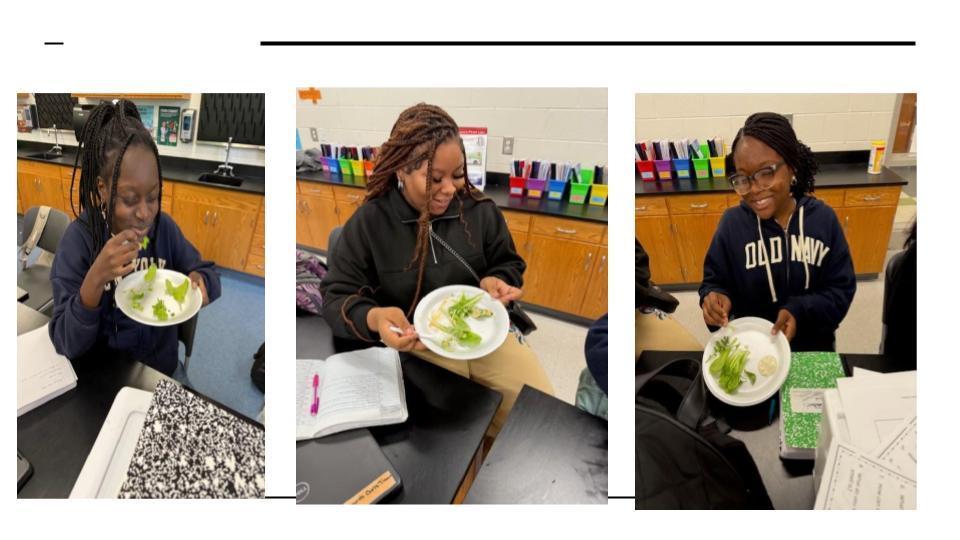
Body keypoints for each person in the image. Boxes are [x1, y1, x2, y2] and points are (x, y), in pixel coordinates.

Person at [320, 103, 554, 435]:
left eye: (458, 175)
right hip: (421, 348)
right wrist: (375, 319)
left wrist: (497, 278)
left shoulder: (480, 210)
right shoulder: (370, 223)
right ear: (401, 169)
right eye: (434, 179)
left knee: (540, 422)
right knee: (456, 436)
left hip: (488, 337)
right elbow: (335, 297)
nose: (449, 189)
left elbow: (509, 262)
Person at [49, 100, 220, 376]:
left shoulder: (163, 228)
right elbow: (65, 342)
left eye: (153, 196)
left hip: (160, 369)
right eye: (129, 199)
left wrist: (201, 284)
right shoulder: (79, 242)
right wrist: (94, 281)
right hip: (104, 378)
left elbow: (207, 272)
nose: (144, 213)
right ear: (103, 190)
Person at [699, 112, 855, 352]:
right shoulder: (732, 225)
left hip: (813, 349)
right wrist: (715, 297)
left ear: (791, 167)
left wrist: (799, 310)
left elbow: (841, 290)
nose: (754, 189)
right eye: (742, 178)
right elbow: (715, 281)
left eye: (766, 173)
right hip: (751, 353)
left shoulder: (823, 220)